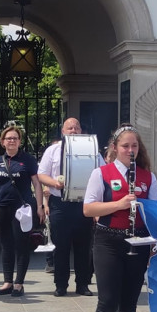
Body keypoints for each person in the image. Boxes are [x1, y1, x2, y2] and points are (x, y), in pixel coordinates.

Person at [82, 125, 157, 312]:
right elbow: (88, 209)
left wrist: (153, 242)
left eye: (134, 146)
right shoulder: (101, 173)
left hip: (137, 242)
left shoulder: (147, 177)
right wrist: (119, 203)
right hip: (108, 241)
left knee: (129, 303)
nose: (130, 150)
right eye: (125, 146)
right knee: (107, 301)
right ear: (115, 148)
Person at [37, 118, 100, 296]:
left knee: (84, 246)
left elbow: (102, 172)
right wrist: (54, 183)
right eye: (69, 128)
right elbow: (41, 174)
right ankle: (61, 285)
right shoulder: (53, 150)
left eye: (76, 127)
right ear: (63, 131)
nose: (73, 130)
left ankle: (82, 284)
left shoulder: (92, 149)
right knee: (61, 247)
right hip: (60, 205)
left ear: (81, 130)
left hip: (83, 204)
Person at [0, 123, 44, 297]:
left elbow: (36, 183)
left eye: (15, 138)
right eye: (8, 138)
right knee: (6, 245)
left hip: (22, 209)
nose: (12, 141)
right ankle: (7, 282)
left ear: (19, 141)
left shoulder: (27, 159)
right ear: (3, 141)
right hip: (2, 207)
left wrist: (40, 207)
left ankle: (19, 283)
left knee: (21, 245)